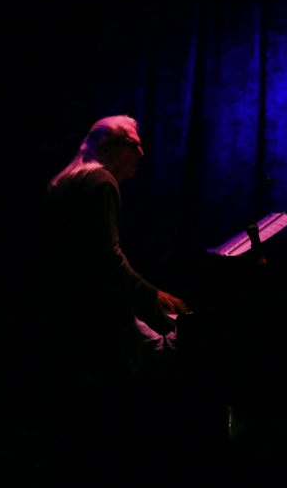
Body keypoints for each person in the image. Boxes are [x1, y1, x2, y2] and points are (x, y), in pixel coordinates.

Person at [40, 115, 189, 380]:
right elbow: (108, 258)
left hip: (65, 309)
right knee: (173, 354)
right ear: (107, 147)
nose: (141, 153)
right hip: (97, 316)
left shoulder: (62, 181)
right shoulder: (101, 181)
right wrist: (152, 295)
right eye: (133, 144)